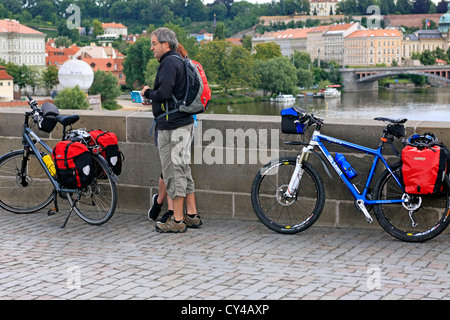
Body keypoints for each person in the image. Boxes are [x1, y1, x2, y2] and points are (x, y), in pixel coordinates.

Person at [141, 28, 201, 233]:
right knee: (184, 170)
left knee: (173, 173)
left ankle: (177, 220)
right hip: (183, 122)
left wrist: (148, 93)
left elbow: (165, 92)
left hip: (172, 126)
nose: (151, 48)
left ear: (166, 44)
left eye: (154, 43)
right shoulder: (181, 60)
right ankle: (192, 215)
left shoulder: (168, 63)